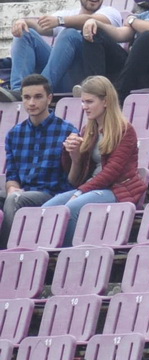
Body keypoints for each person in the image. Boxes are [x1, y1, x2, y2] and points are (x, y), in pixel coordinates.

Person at [42, 76, 145, 245]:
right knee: (47, 209)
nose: (84, 107)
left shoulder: (125, 130)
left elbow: (111, 172)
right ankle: (47, 250)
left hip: (118, 188)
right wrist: (71, 153)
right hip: (93, 187)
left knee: (71, 208)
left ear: (105, 101)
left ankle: (66, 253)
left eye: (89, 102)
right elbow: (74, 177)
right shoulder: (88, 129)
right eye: (83, 102)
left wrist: (80, 192)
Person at [3, 0, 124, 98]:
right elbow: (41, 26)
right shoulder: (68, 14)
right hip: (59, 76)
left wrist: (60, 21)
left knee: (70, 34)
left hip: (84, 79)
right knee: (25, 33)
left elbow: (92, 20)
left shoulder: (111, 12)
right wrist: (23, 21)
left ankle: (36, 91)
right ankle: (19, 92)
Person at [1, 75, 77, 247]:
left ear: (49, 98)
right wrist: (12, 188)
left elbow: (73, 175)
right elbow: (12, 175)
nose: (31, 103)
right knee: (13, 197)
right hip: (23, 191)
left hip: (53, 193)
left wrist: (15, 195)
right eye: (27, 97)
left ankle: (6, 253)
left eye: (37, 97)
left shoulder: (67, 131)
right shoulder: (14, 134)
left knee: (15, 200)